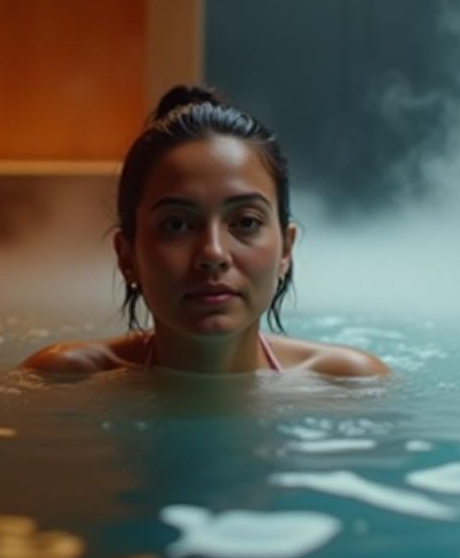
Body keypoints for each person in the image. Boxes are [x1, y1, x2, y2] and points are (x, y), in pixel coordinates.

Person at [22, 85, 388, 378]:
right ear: (127, 256)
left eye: (245, 222)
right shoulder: (67, 380)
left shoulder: (347, 384)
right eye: (177, 225)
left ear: (286, 250)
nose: (213, 253)